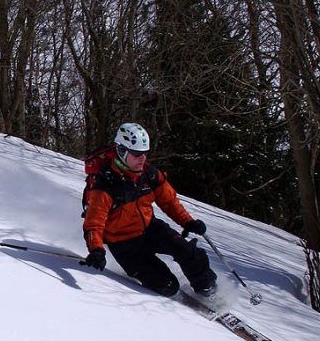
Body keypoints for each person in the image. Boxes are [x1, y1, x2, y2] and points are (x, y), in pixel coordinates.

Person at [80, 122, 217, 297]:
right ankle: (167, 285)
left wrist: (188, 221)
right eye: (137, 154)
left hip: (149, 228)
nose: (142, 159)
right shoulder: (105, 185)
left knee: (186, 251)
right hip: (124, 243)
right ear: (122, 151)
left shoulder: (148, 174)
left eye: (145, 154)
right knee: (168, 286)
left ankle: (207, 288)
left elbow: (168, 201)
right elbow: (94, 223)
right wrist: (96, 250)